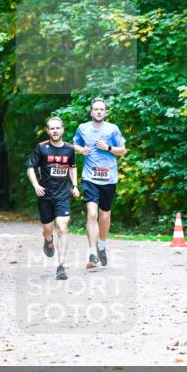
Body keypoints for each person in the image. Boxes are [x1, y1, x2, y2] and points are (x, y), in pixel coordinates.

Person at [72, 98, 127, 269]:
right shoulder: (83, 128)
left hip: (109, 178)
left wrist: (108, 148)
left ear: (105, 112)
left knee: (105, 215)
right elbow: (73, 145)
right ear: (91, 112)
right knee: (92, 214)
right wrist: (81, 150)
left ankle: (102, 245)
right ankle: (92, 253)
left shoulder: (113, 129)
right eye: (96, 109)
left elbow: (123, 151)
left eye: (101, 109)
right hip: (90, 178)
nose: (98, 111)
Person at [26, 117, 80, 280]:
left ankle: (61, 266)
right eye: (52, 128)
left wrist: (75, 185)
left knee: (62, 227)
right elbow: (30, 167)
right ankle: (48, 240)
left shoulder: (69, 149)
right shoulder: (41, 148)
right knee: (48, 229)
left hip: (63, 194)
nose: (55, 131)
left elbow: (72, 167)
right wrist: (36, 185)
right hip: (45, 195)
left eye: (58, 128)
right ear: (48, 131)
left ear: (63, 130)